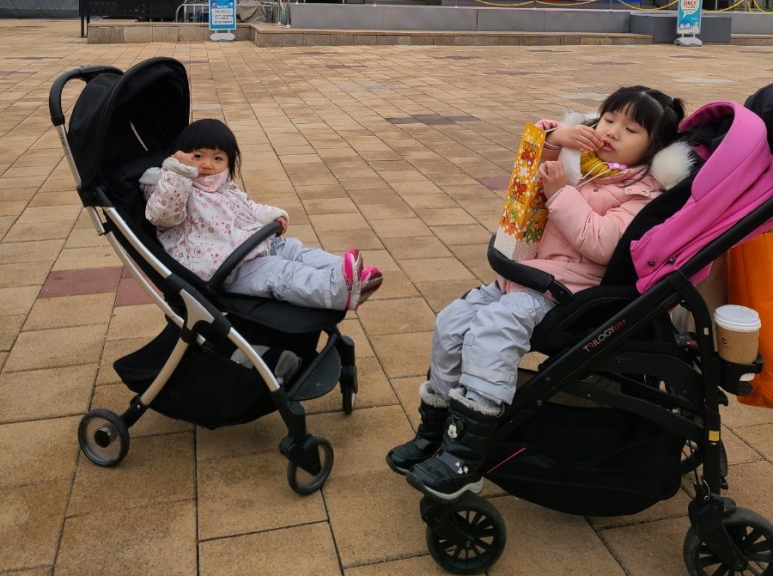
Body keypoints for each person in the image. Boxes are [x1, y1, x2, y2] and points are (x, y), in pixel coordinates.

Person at [386, 86, 692, 501]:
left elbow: (601, 242)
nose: (612, 132)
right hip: (530, 275)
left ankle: (465, 454)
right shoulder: (584, 162)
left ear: (654, 149)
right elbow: (530, 170)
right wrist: (553, 138)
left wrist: (562, 193)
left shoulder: (643, 193)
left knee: (493, 330)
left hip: (568, 292)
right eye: (608, 119)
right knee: (453, 322)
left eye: (630, 129)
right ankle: (436, 430)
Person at [140, 119, 382, 311]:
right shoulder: (169, 185)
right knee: (281, 273)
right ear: (180, 155)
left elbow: (247, 207)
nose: (207, 165)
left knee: (294, 250)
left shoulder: (221, 186)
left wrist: (270, 216)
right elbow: (164, 215)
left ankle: (348, 274)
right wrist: (179, 173)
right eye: (197, 156)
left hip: (249, 246)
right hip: (225, 269)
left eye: (218, 159)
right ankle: (336, 291)